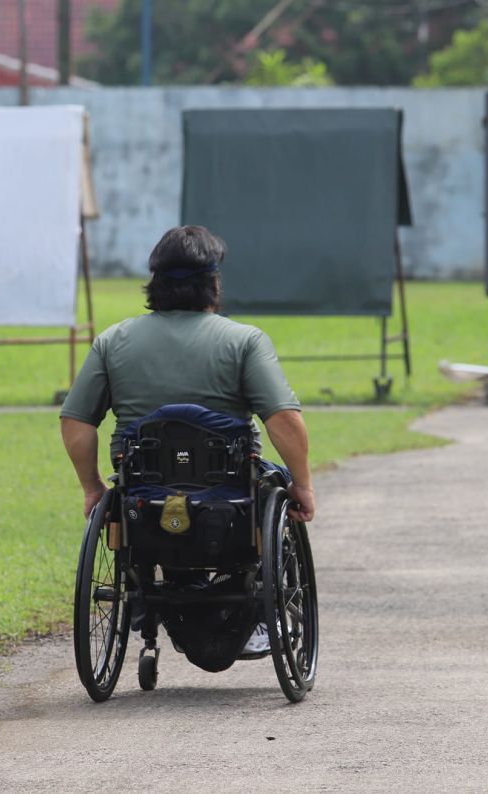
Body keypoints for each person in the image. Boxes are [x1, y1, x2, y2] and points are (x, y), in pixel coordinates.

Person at [58, 225, 315, 655]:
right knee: (278, 482)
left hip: (143, 494)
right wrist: (302, 486)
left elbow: (76, 422)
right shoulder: (245, 342)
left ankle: (155, 602)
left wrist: (92, 488)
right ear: (213, 283)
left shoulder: (112, 342)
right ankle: (259, 616)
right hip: (230, 498)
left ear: (154, 283)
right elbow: (284, 421)